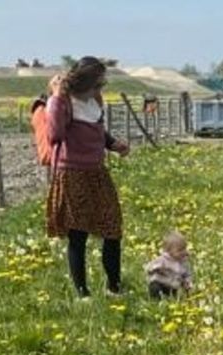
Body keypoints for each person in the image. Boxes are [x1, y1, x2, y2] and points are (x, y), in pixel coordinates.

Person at [45, 57, 131, 298]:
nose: (100, 88)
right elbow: (54, 134)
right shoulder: (63, 103)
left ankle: (114, 287)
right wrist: (56, 97)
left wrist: (113, 144)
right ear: (84, 82)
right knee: (78, 234)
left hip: (97, 172)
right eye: (98, 84)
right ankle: (83, 293)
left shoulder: (94, 102)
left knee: (112, 227)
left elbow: (99, 132)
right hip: (72, 174)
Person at [144, 230, 195, 299]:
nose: (183, 252)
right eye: (179, 250)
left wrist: (188, 283)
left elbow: (187, 274)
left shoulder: (184, 262)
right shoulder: (163, 260)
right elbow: (149, 267)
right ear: (169, 251)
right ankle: (155, 299)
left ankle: (173, 298)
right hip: (161, 283)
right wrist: (157, 268)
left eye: (184, 249)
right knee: (155, 287)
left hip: (173, 286)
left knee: (178, 293)